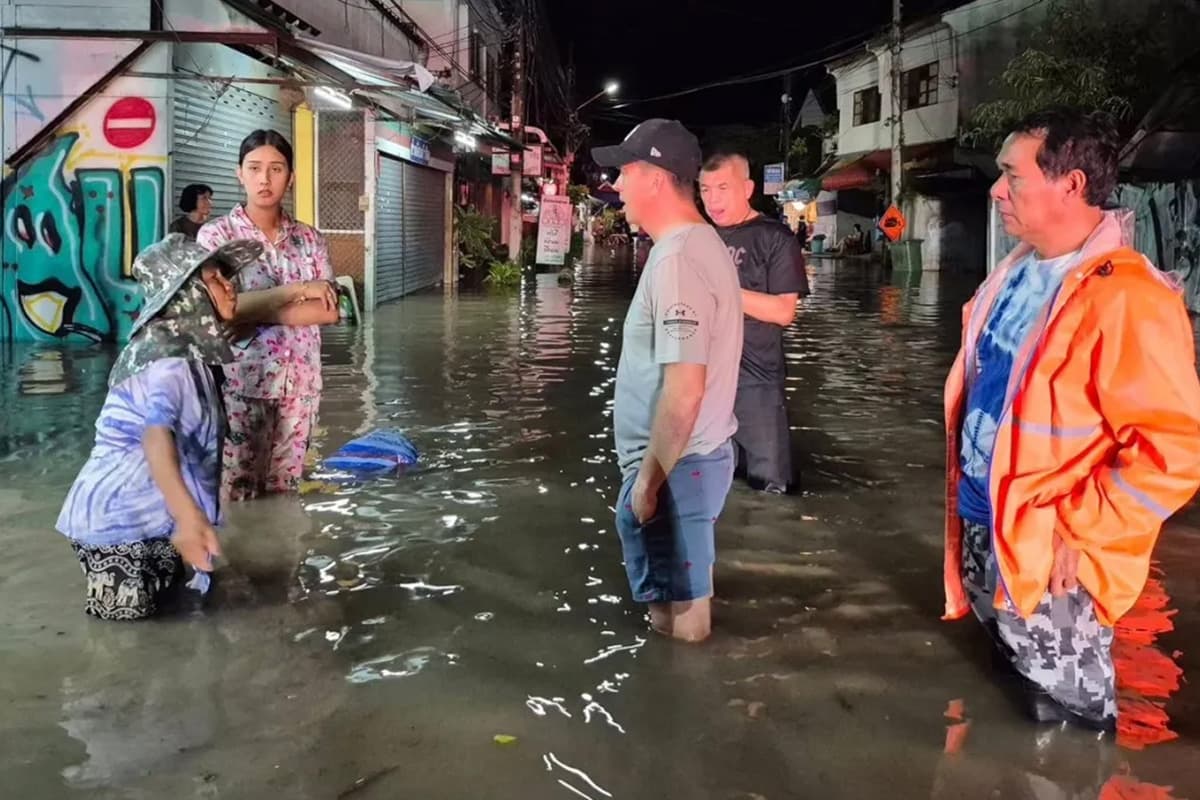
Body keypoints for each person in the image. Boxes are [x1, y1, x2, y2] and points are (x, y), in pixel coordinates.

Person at [943, 107, 1200, 730]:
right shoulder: (1017, 272)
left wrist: (1082, 530)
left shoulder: (1129, 296)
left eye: (1012, 175)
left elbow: (1173, 454)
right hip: (989, 525)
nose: (997, 190)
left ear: (1072, 183)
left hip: (1058, 553)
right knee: (1011, 694)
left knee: (1069, 725)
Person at [56, 233, 262, 620]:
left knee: (169, 624)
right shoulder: (170, 360)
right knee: (125, 648)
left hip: (155, 518)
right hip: (119, 527)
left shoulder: (182, 348)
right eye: (215, 279)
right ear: (187, 293)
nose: (229, 284)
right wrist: (188, 517)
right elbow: (156, 437)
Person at [592, 119, 744, 642]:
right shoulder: (701, 245)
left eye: (625, 172)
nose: (616, 185)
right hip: (695, 459)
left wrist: (648, 484)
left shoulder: (678, 259)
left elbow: (685, 388)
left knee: (680, 623)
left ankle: (685, 711)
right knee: (679, 600)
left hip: (679, 467)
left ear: (656, 178)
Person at [197, 130, 340, 502]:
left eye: (276, 169)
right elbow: (218, 310)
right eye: (255, 168)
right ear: (239, 174)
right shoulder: (217, 238)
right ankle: (237, 561)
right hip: (239, 385)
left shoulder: (310, 240)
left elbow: (327, 311)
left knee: (285, 493)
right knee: (236, 492)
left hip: (301, 388)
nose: (265, 179)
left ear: (290, 177)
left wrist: (249, 311)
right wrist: (294, 292)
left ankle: (282, 559)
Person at [699, 153, 809, 494]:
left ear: (747, 188)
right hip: (708, 379)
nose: (712, 199)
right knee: (719, 483)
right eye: (705, 189)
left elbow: (783, 311)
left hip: (757, 381)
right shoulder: (703, 238)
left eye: (722, 187)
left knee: (771, 487)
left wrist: (724, 288)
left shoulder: (774, 237)